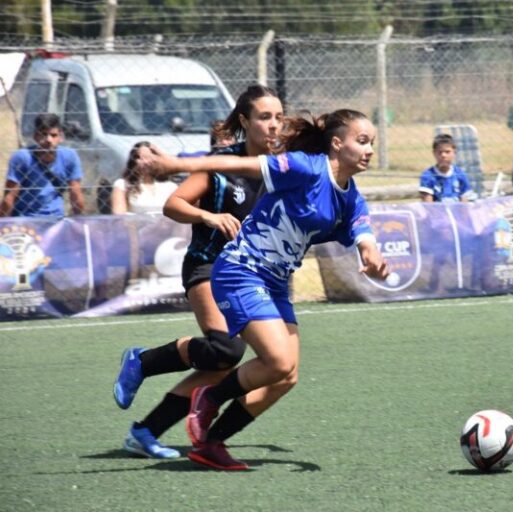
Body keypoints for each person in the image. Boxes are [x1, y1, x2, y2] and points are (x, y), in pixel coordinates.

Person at [148, 108, 389, 471]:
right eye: (362, 140)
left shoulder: (351, 197)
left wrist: (372, 257)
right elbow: (242, 166)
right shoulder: (307, 167)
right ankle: (208, 397)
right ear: (337, 144)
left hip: (274, 282)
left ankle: (211, 444)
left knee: (285, 376)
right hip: (241, 269)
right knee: (276, 360)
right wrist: (175, 163)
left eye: (372, 142)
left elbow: (364, 236)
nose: (370, 149)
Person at [112, 85, 284, 460]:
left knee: (226, 363)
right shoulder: (222, 166)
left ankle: (145, 432)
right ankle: (143, 361)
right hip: (208, 264)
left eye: (278, 118)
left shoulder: (280, 168)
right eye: (264, 117)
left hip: (250, 276)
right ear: (245, 121)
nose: (274, 126)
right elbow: (173, 204)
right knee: (226, 350)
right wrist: (208, 215)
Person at [0, 113, 85, 217]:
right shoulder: (22, 157)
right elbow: (10, 197)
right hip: (25, 219)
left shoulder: (69, 157)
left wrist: (78, 221)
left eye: (53, 135)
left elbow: (75, 194)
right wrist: (4, 224)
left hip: (56, 220)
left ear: (61, 137)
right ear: (35, 136)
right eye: (44, 134)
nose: (49, 140)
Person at [110, 142, 179, 215]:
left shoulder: (170, 186)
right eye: (140, 158)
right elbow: (119, 215)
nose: (145, 162)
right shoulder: (122, 185)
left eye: (149, 158)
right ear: (134, 161)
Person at [419, 133, 475, 203]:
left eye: (447, 152)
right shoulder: (428, 175)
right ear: (434, 153)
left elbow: (464, 200)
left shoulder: (459, 174)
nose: (443, 155)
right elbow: (428, 205)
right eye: (440, 152)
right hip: (437, 213)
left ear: (454, 152)